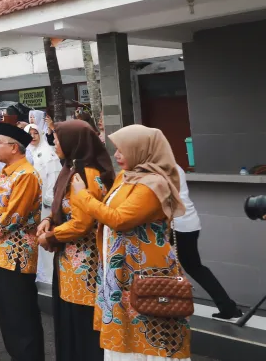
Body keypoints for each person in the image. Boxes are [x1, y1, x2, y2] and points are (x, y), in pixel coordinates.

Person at [71, 125, 192, 360]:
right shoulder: (127, 177)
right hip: (121, 268)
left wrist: (82, 195)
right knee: (123, 329)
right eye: (116, 150)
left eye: (122, 150)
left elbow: (119, 219)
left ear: (141, 150)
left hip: (143, 269)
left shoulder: (153, 184)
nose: (117, 156)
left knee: (149, 325)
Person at [36, 119, 114, 361]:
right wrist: (49, 220)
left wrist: (51, 235)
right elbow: (65, 207)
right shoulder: (71, 167)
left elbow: (82, 222)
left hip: (85, 266)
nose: (54, 144)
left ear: (73, 142)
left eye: (58, 140)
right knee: (69, 320)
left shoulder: (86, 174)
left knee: (82, 323)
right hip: (70, 261)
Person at [0, 122, 44, 361]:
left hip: (17, 255)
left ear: (14, 148)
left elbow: (13, 216)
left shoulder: (26, 175)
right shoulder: (7, 172)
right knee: (7, 314)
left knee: (20, 314)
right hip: (0, 254)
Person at [174, 165, 242, 319]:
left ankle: (162, 307)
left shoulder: (158, 168)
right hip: (188, 222)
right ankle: (228, 307)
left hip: (175, 225)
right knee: (195, 267)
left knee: (185, 267)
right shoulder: (174, 166)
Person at [27, 120, 61, 285]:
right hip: (31, 206)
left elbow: (54, 179)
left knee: (44, 238)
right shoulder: (28, 152)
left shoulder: (49, 153)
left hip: (45, 207)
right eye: (30, 134)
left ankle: (48, 277)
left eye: (36, 133)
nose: (33, 137)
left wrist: (47, 201)